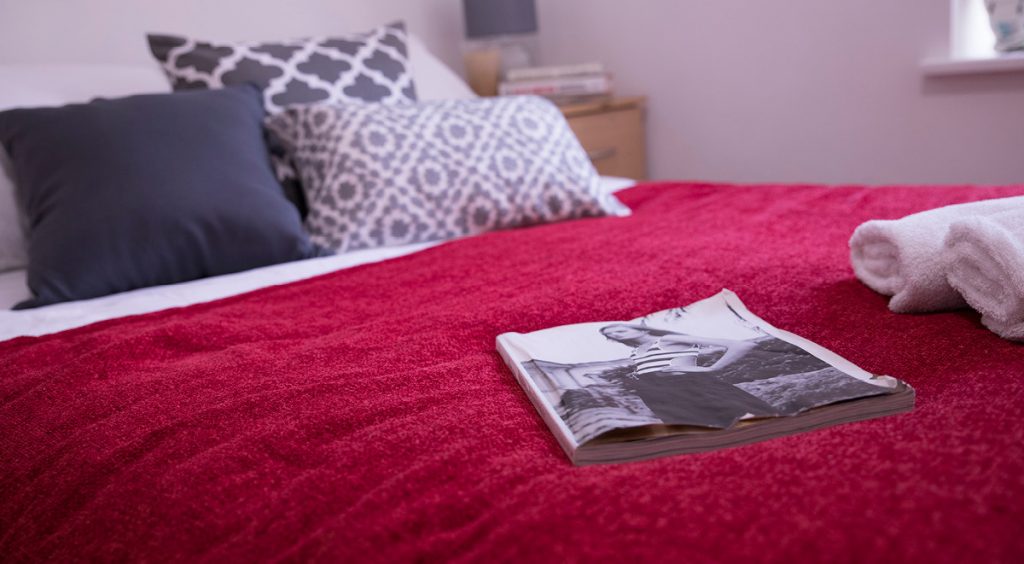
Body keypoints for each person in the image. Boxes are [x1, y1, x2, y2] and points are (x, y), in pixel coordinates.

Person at [599, 324, 779, 428]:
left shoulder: (667, 339)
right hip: (658, 393)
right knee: (697, 428)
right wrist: (640, 375)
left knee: (744, 419)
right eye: (611, 335)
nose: (615, 335)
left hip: (691, 385)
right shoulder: (636, 351)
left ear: (641, 330)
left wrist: (713, 368)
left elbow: (741, 345)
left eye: (620, 331)